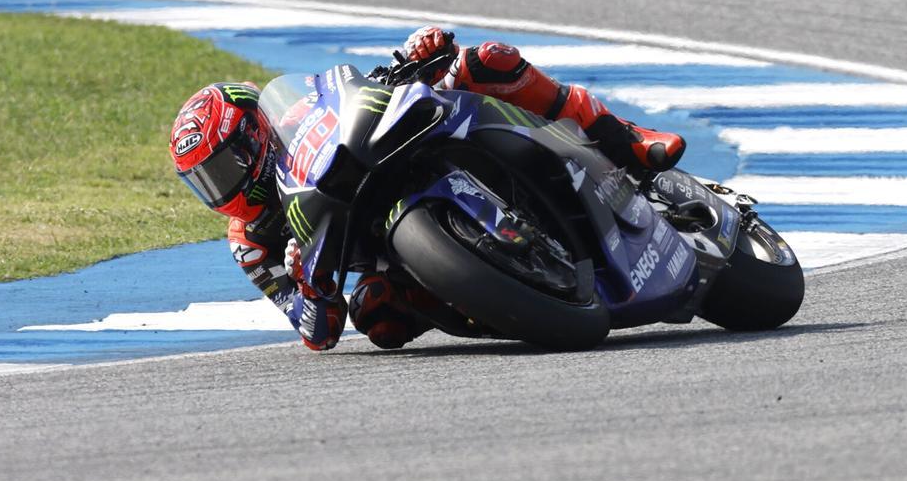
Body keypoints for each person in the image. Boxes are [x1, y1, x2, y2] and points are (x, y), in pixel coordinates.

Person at [168, 27, 686, 352]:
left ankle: (629, 141)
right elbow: (315, 331)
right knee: (379, 317)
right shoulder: (251, 243)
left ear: (253, 136)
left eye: (223, 168)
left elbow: (349, 93)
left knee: (488, 60)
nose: (222, 189)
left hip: (390, 145)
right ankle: (507, 299)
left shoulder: (299, 113)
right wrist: (307, 285)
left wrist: (419, 57)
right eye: (205, 182)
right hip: (386, 253)